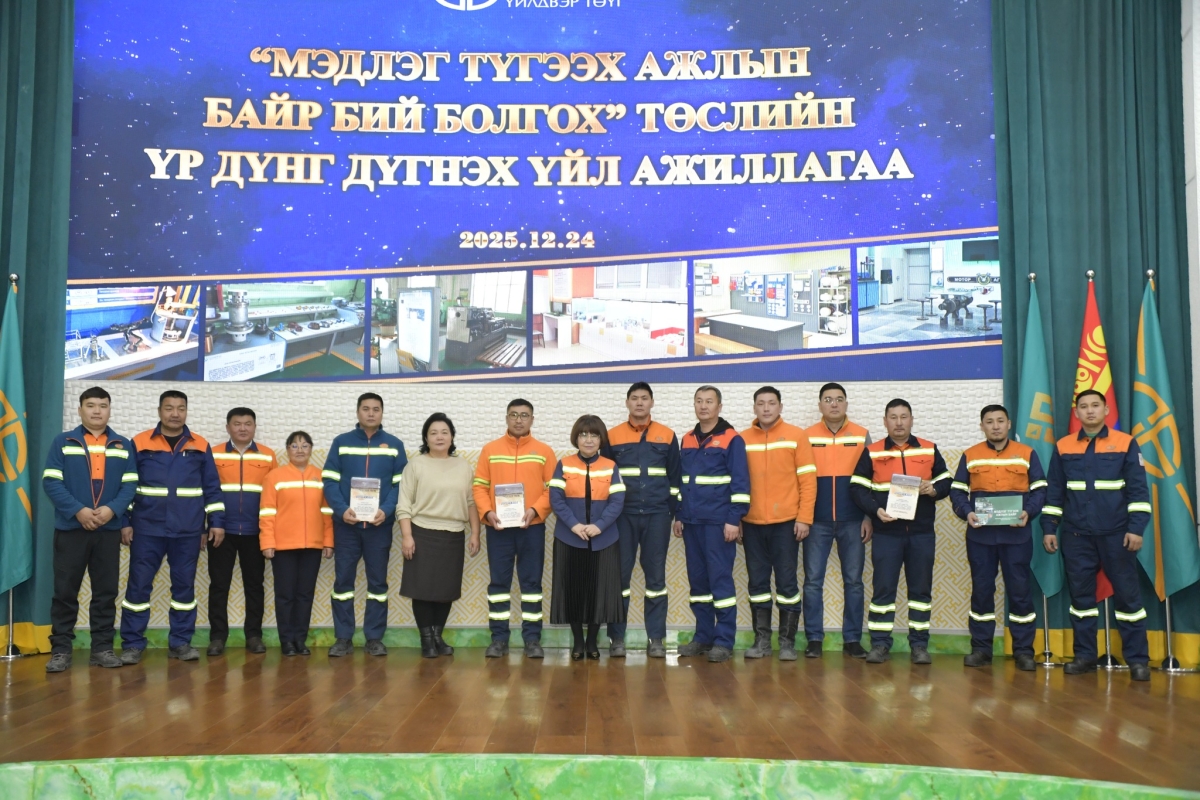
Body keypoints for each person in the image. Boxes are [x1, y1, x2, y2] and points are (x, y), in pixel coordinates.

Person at [1042, 390, 1152, 682]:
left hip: (1118, 535)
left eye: (1095, 406)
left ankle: (1138, 661)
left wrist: (1136, 528)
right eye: (1083, 407)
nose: (1089, 411)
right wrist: (1049, 527)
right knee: (1081, 600)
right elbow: (1055, 492)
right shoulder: (1064, 446)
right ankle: (1085, 657)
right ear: (1076, 413)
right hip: (1076, 536)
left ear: (1106, 410)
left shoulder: (1125, 443)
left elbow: (1138, 491)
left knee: (1128, 599)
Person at [120, 390, 225, 664]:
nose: (175, 414)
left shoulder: (200, 445)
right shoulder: (139, 442)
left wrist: (215, 523)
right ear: (159, 411)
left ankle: (180, 642)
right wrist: (124, 522)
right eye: (169, 408)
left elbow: (211, 488)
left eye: (180, 408)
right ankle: (132, 644)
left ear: (186, 411)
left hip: (187, 531)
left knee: (184, 590)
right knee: (138, 588)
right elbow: (128, 485)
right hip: (146, 529)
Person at [40, 387, 139, 673]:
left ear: (110, 409)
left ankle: (102, 649)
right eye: (91, 405)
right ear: (80, 410)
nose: (97, 411)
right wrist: (78, 511)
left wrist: (111, 510)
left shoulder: (123, 444)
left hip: (108, 530)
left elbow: (130, 485)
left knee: (105, 593)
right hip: (71, 529)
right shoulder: (63, 441)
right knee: (65, 592)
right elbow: (51, 482)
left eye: (103, 405)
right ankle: (60, 650)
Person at [850, 399, 951, 665]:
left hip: (921, 533)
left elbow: (946, 480)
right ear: (885, 421)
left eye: (903, 417)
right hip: (887, 533)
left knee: (920, 592)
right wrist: (875, 510)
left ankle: (919, 645)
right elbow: (857, 487)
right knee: (883, 591)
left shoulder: (929, 448)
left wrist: (934, 489)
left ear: (911, 420)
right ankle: (880, 644)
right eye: (893, 417)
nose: (898, 422)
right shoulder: (872, 451)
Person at [949, 404, 1046, 671]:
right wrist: (966, 512)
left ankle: (1023, 651)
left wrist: (1029, 511)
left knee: (1020, 592)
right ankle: (981, 649)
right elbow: (957, 491)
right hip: (980, 537)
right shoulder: (971, 455)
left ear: (1009, 424)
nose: (995, 426)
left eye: (1000, 421)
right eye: (989, 421)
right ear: (982, 426)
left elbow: (1040, 489)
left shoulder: (1026, 453)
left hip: (1017, 535)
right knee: (982, 592)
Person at [321, 393, 407, 658]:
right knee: (343, 582)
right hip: (346, 526)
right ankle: (343, 637)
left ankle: (374, 638)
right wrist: (341, 509)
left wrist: (386, 510)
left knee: (378, 584)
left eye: (376, 409)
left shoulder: (394, 445)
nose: (371, 413)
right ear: (358, 412)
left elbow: (401, 485)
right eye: (366, 409)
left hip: (379, 527)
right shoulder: (341, 442)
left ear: (382, 413)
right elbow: (329, 480)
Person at [474, 398, 557, 659]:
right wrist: (488, 512)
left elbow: (553, 489)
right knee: (499, 583)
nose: (518, 420)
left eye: (524, 415)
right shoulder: (490, 450)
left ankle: (532, 639)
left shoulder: (544, 451)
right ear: (506, 418)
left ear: (532, 419)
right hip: (498, 528)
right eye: (513, 415)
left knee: (531, 584)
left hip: (532, 527)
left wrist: (535, 510)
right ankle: (499, 639)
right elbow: (479, 487)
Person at [739, 386, 817, 661]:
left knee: (787, 584)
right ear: (754, 408)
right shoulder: (741, 439)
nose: (766, 408)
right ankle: (761, 641)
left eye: (772, 403)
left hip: (787, 524)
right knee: (757, 584)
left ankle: (787, 643)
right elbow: (736, 484)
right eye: (761, 403)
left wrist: (804, 518)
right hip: (751, 523)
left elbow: (808, 482)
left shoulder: (797, 436)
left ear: (780, 407)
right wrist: (736, 519)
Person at [674, 385, 750, 663]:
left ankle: (724, 640)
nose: (703, 406)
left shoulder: (732, 439)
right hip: (691, 522)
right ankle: (703, 637)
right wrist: (679, 514)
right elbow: (682, 481)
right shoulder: (687, 439)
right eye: (699, 401)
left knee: (720, 582)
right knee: (698, 584)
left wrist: (734, 519)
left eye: (709, 401)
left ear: (719, 406)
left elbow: (741, 483)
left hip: (718, 523)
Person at [605, 382, 681, 658]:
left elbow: (675, 479)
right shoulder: (612, 436)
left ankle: (656, 639)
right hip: (622, 517)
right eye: (634, 398)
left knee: (656, 579)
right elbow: (605, 479)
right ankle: (616, 639)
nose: (639, 402)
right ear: (627, 403)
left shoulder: (667, 435)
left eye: (644, 398)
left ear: (652, 402)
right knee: (619, 579)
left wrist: (673, 514)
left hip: (657, 516)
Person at [398, 413, 481, 659]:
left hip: (453, 535)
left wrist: (475, 533)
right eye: (433, 433)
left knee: (446, 590)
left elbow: (471, 502)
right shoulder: (415, 465)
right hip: (421, 532)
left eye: (444, 432)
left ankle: (437, 637)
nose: (439, 437)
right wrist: (406, 535)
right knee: (422, 589)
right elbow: (404, 504)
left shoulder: (463, 466)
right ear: (426, 438)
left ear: (452, 436)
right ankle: (426, 640)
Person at [550, 415, 627, 660]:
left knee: (599, 592)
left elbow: (617, 501)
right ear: (576, 438)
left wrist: (599, 526)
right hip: (569, 538)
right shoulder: (563, 464)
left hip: (603, 539)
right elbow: (556, 500)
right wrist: (575, 525)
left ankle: (592, 642)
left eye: (594, 435)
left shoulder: (611, 466)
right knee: (572, 591)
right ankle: (578, 642)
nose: (589, 440)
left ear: (601, 439)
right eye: (583, 435)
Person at [803, 382, 872, 659]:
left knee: (854, 582)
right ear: (820, 405)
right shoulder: (806, 436)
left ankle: (853, 639)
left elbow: (871, 479)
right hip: (815, 522)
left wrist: (868, 516)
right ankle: (814, 638)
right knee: (812, 582)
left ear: (846, 404)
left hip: (853, 521)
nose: (834, 404)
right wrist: (803, 518)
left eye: (839, 399)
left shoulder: (862, 435)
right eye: (828, 399)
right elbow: (801, 479)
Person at [207, 407, 276, 656]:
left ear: (255, 427)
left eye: (248, 423)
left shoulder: (267, 456)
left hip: (255, 531)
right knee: (219, 585)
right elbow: (208, 490)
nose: (243, 428)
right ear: (228, 427)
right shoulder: (213, 453)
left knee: (254, 585)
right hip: (220, 531)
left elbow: (274, 496)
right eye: (237, 424)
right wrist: (210, 524)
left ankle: (254, 635)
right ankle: (217, 637)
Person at [259, 431, 333, 656]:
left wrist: (328, 541)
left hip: (313, 546)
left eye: (304, 445)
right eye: (294, 445)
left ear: (311, 449)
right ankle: (287, 641)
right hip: (283, 547)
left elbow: (327, 512)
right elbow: (267, 512)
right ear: (287, 449)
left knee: (305, 595)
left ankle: (300, 640)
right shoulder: (274, 477)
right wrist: (267, 542)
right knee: (285, 595)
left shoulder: (320, 477)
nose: (300, 450)